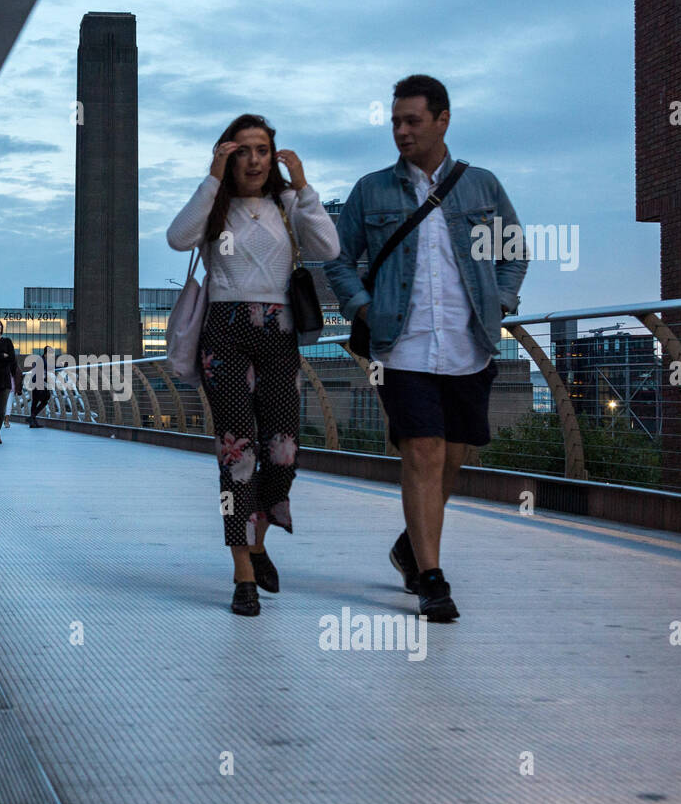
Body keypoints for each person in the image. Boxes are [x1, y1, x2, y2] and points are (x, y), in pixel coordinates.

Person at [323, 74, 528, 622]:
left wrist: (501, 303)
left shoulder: (481, 186)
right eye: (395, 121)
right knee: (422, 451)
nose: (401, 131)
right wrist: (362, 308)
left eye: (412, 120)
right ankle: (432, 580)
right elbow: (338, 260)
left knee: (452, 459)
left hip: (471, 346)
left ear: (443, 120)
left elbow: (513, 251)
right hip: (402, 346)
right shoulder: (373, 190)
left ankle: (409, 549)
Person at [167, 113, 340, 616]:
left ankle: (258, 538)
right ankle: (243, 572)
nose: (255, 159)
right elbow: (178, 238)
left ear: (274, 153)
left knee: (283, 453)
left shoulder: (287, 203)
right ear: (227, 154)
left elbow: (328, 247)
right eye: (242, 150)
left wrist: (304, 186)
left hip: (279, 332)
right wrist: (212, 177)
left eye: (262, 149)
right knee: (237, 452)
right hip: (223, 331)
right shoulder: (214, 207)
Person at [28, 345, 53, 428]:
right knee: (45, 399)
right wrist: (62, 366)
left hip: (36, 383)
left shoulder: (41, 359)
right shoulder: (42, 360)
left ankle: (32, 422)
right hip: (38, 383)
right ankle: (32, 417)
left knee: (35, 402)